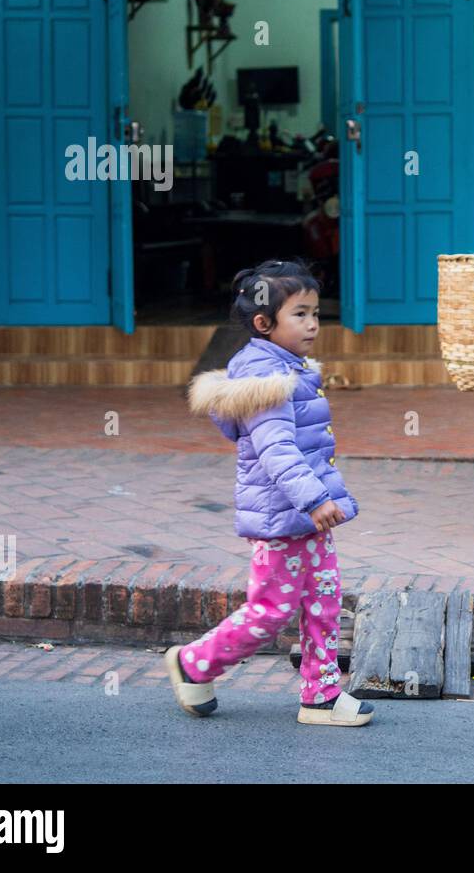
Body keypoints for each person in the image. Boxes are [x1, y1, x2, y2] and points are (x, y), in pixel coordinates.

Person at [165, 258, 374, 727]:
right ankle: (194, 663)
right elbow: (277, 450)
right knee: (270, 611)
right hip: (284, 517)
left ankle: (321, 696)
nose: (313, 324)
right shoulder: (266, 379)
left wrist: (317, 501)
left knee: (324, 604)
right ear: (264, 323)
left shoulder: (290, 368)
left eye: (315, 313)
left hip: (309, 515)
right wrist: (314, 498)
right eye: (299, 314)